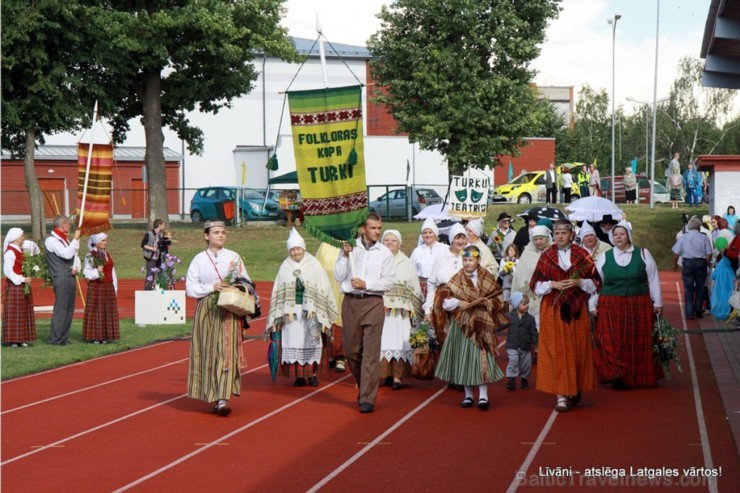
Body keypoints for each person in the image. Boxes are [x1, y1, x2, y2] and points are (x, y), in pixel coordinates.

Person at [530, 220, 601, 412]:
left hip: (576, 309)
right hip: (552, 308)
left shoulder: (582, 254)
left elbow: (596, 282)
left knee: (577, 348)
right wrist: (552, 285)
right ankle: (560, 395)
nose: (560, 236)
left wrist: (579, 281)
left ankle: (574, 388)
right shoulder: (546, 256)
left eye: (564, 232)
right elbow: (535, 284)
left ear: (571, 234)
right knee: (557, 350)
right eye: (557, 233)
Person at [186, 220, 252, 416]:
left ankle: (223, 398)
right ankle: (211, 393)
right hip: (207, 308)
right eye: (216, 232)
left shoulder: (234, 257)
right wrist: (211, 288)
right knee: (207, 351)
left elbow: (247, 281)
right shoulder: (199, 259)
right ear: (207, 236)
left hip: (228, 307)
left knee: (225, 352)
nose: (221, 235)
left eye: (223, 232)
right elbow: (190, 288)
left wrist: (236, 287)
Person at [335, 212, 396, 414]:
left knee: (370, 353)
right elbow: (338, 275)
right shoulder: (350, 247)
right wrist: (345, 256)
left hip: (373, 302)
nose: (377, 232)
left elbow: (389, 281)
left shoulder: (384, 252)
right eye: (373, 228)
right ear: (363, 228)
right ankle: (365, 385)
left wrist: (366, 284)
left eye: (379, 228)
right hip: (351, 303)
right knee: (352, 351)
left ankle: (367, 398)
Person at [434, 245, 508, 410]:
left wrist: (490, 303)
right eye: (465, 260)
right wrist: (459, 302)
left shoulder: (487, 277)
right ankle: (468, 395)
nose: (467, 263)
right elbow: (444, 301)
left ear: (478, 260)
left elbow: (499, 299)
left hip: (482, 322)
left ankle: (483, 396)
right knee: (463, 358)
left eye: (471, 260)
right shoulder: (456, 278)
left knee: (482, 358)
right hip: (462, 324)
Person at [592, 222, 663, 389]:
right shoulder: (605, 256)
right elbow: (596, 282)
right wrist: (591, 305)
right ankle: (616, 374)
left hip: (638, 303)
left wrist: (658, 302)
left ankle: (638, 377)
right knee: (611, 342)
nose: (618, 237)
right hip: (611, 304)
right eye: (615, 234)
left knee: (637, 341)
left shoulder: (644, 254)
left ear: (629, 236)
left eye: (622, 234)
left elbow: (653, 279)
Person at [267, 228, 338, 387]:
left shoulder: (314, 265)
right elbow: (278, 290)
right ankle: (299, 376)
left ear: (303, 248)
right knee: (294, 341)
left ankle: (312, 374)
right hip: (291, 314)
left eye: (298, 249)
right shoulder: (284, 267)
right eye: (292, 250)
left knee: (312, 341)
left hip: (311, 312)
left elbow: (323, 287)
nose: (296, 252)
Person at [379, 230, 423, 390]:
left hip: (401, 313)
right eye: (387, 240)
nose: (390, 243)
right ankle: (386, 374)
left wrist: (418, 311)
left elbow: (414, 288)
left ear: (400, 243)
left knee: (399, 341)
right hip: (381, 311)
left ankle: (398, 376)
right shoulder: (377, 260)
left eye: (393, 240)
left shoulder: (406, 263)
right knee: (383, 341)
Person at [424, 223, 468, 344]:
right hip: (442, 303)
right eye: (457, 238)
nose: (461, 241)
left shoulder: (469, 257)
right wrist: (428, 309)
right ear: (452, 239)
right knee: (445, 338)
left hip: (463, 302)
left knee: (462, 338)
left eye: (463, 237)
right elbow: (431, 284)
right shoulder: (442, 257)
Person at [45, 215, 82, 346]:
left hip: (69, 276)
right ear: (62, 225)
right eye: (68, 224)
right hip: (60, 276)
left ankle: (64, 337)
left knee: (69, 307)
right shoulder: (52, 240)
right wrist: (76, 239)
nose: (70, 226)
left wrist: (76, 267)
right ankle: (55, 338)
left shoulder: (65, 240)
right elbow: (66, 254)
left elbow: (74, 256)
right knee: (61, 307)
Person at [671, 217, 713, 320]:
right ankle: (698, 311)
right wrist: (706, 263)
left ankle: (689, 312)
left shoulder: (683, 237)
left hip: (688, 263)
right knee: (700, 288)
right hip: (700, 263)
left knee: (688, 289)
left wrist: (675, 264)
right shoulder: (704, 237)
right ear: (699, 226)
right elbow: (709, 253)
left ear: (689, 227)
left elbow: (676, 253)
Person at [511, 225, 552, 328]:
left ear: (547, 238)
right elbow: (520, 274)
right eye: (535, 239)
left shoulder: (554, 251)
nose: (538, 242)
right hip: (531, 295)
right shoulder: (527, 253)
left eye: (541, 239)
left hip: (550, 295)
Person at [82, 233, 120, 344]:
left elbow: (112, 271)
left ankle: (106, 336)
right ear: (97, 242)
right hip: (97, 287)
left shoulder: (108, 254)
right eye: (103, 241)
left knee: (106, 312)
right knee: (97, 311)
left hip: (108, 286)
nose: (105, 243)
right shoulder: (90, 255)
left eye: (105, 240)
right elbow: (86, 273)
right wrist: (97, 271)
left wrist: (115, 286)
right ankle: (96, 336)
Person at [315, 242, 347, 372]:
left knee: (341, 322)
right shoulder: (324, 246)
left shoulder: (349, 243)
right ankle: (331, 355)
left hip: (343, 291)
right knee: (327, 322)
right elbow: (316, 267)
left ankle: (341, 356)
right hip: (327, 289)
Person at [3, 228, 36, 347]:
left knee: (23, 312)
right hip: (15, 285)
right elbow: (8, 271)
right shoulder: (10, 252)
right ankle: (13, 339)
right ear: (16, 238)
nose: (23, 238)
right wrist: (22, 279)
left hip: (23, 285)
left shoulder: (20, 251)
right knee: (15, 313)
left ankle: (22, 338)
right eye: (22, 236)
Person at [503, 292, 537, 391]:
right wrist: (493, 328)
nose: (526, 306)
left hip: (525, 345)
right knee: (513, 361)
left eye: (527, 303)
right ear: (516, 305)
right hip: (512, 345)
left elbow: (534, 333)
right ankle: (511, 380)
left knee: (526, 364)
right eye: (524, 304)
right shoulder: (509, 316)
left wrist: (536, 345)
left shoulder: (530, 319)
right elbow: (501, 325)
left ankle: (524, 379)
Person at [410, 217, 449, 299]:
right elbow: (411, 270)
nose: (427, 235)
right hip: (422, 287)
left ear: (435, 234)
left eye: (430, 232)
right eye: (425, 233)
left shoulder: (445, 249)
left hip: (439, 286)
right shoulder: (417, 251)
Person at [142, 219, 166, 290]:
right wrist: (152, 248)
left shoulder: (162, 234)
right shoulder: (149, 234)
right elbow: (143, 244)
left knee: (161, 274)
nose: (164, 226)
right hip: (151, 258)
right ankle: (147, 291)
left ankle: (159, 290)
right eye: (163, 225)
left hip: (159, 258)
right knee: (150, 275)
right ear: (159, 225)